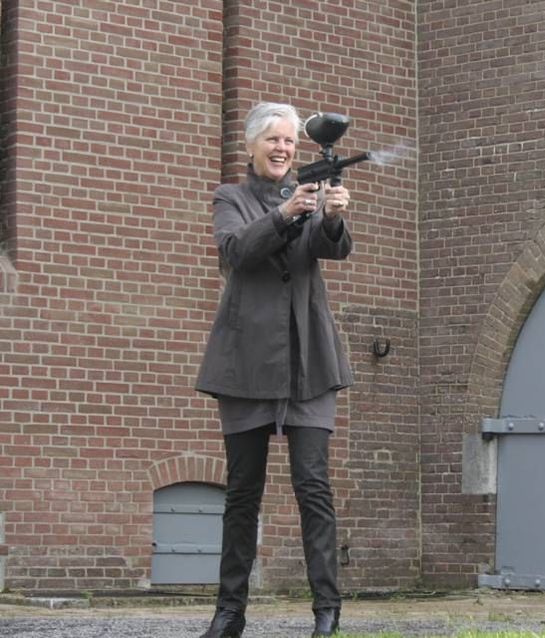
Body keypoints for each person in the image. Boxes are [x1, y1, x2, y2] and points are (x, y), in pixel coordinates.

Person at [194, 102, 354, 638]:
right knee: (242, 492)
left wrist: (330, 217)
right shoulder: (230, 198)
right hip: (244, 364)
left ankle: (326, 612)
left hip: (309, 359)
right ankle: (229, 612)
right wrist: (286, 215)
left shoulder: (308, 196)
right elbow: (237, 251)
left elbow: (331, 251)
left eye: (290, 141)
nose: (284, 148)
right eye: (273, 140)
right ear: (252, 147)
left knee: (313, 486)